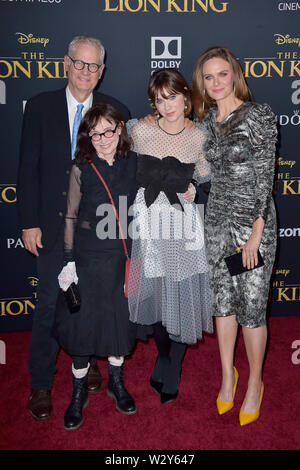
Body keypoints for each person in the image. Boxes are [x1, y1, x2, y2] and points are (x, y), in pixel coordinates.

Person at [17, 35, 130, 421]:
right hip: (52, 229)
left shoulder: (116, 110)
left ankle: (94, 364)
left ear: (102, 71)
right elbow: (27, 169)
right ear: (66, 63)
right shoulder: (39, 106)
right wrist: (28, 221)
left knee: (97, 303)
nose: (85, 72)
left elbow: (127, 170)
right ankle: (42, 384)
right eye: (79, 63)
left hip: (99, 235)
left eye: (93, 66)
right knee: (50, 303)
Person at [192, 46, 278, 425]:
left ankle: (255, 380)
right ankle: (229, 374)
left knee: (252, 308)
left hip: (252, 226)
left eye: (221, 74)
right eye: (208, 77)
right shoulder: (207, 122)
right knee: (223, 304)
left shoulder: (258, 114)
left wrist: (256, 233)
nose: (215, 83)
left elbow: (265, 177)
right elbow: (198, 168)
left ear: (235, 74)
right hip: (217, 223)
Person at [127, 68, 213, 405]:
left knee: (182, 292)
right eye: (160, 99)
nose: (168, 105)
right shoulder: (140, 130)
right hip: (148, 222)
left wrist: (192, 186)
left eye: (173, 96)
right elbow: (115, 162)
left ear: (186, 96)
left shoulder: (199, 136)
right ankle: (163, 356)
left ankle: (175, 364)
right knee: (158, 294)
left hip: (182, 224)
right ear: (153, 102)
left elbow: (206, 177)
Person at [55, 103, 138, 430]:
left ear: (120, 129)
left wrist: (186, 187)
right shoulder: (81, 167)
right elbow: (71, 216)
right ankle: (78, 393)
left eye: (109, 131)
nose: (103, 139)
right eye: (95, 133)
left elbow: (158, 187)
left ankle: (116, 383)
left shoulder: (133, 163)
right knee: (82, 325)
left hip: (124, 256)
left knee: (119, 320)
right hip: (88, 259)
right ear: (87, 136)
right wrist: (68, 260)